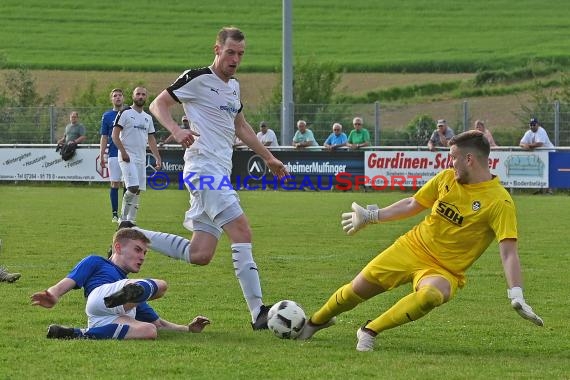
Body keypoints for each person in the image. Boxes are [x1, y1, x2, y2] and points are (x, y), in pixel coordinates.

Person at [298, 130, 544, 351]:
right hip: (411, 247)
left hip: (444, 270)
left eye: (453, 157)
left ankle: (369, 330)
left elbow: (509, 252)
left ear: (469, 159)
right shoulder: (447, 178)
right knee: (355, 291)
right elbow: (413, 203)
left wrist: (517, 294)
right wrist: (372, 215)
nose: (450, 163)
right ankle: (314, 323)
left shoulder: (499, 202)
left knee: (431, 296)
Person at [148, 26, 289, 330]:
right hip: (204, 170)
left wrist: (269, 157)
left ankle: (134, 234)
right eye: (230, 52)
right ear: (217, 50)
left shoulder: (234, 88)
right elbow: (157, 104)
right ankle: (258, 313)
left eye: (240, 54)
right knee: (242, 230)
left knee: (200, 254)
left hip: (217, 171)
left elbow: (241, 126)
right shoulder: (198, 78)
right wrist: (176, 130)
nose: (235, 59)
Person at [31, 228, 210, 340]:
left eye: (145, 253)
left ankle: (78, 333)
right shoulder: (97, 262)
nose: (142, 257)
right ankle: (114, 300)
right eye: (138, 250)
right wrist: (53, 294)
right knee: (161, 285)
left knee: (149, 330)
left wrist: (188, 329)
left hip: (102, 319)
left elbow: (160, 324)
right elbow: (68, 281)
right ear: (118, 248)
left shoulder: (136, 292)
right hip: (99, 297)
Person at [112, 87, 161, 224]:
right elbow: (114, 135)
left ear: (146, 97)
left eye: (143, 94)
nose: (140, 96)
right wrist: (123, 152)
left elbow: (151, 139)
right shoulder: (125, 113)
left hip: (141, 158)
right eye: (138, 94)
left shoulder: (148, 118)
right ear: (133, 96)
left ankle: (131, 222)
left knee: (138, 190)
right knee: (132, 187)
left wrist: (157, 157)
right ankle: (123, 219)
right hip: (127, 156)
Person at [99, 88, 125, 223]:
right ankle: (115, 214)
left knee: (128, 184)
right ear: (112, 99)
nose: (118, 97)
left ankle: (125, 214)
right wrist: (102, 154)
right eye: (115, 96)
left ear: (124, 98)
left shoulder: (129, 113)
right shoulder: (107, 116)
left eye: (120, 95)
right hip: (114, 154)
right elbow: (104, 137)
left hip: (128, 154)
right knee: (115, 183)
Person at [519, 117, 555, 195]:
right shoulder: (528, 133)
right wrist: (524, 145)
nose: (532, 126)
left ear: (537, 125)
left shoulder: (541, 131)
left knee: (549, 172)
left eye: (534, 125)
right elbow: (521, 143)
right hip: (541, 155)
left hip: (549, 153)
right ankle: (541, 189)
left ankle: (549, 190)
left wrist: (528, 145)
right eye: (531, 125)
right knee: (540, 171)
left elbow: (540, 143)